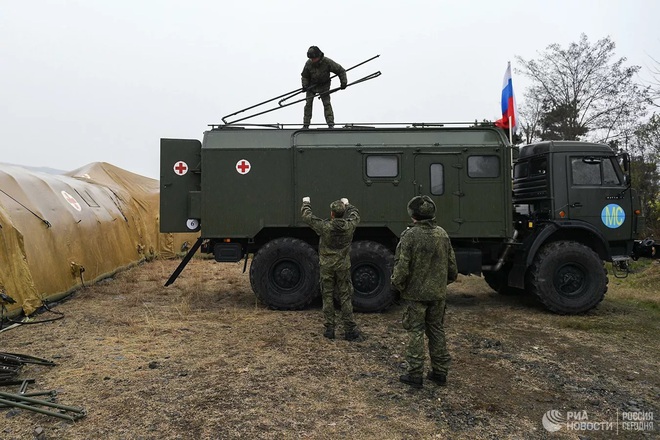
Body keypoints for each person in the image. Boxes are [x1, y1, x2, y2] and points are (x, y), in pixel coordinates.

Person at [391, 195, 458, 388]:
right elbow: (452, 268)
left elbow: (402, 266)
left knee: (416, 331)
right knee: (436, 330)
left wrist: (396, 283)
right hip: (437, 294)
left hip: (416, 294)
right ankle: (440, 372)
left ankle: (415, 373)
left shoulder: (410, 236)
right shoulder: (442, 234)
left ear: (413, 215)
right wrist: (441, 284)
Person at [301, 196, 362, 341]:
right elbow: (356, 214)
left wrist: (306, 203)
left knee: (327, 296)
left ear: (332, 214)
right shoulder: (349, 226)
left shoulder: (324, 227)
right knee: (345, 297)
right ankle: (349, 330)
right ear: (343, 213)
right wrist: (348, 204)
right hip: (343, 266)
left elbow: (307, 217)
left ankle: (330, 329)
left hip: (327, 266)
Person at [301, 46, 347, 129]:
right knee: (308, 104)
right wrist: (305, 85)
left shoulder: (327, 62)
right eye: (311, 58)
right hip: (312, 86)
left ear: (319, 56)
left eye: (314, 58)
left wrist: (343, 82)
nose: (313, 60)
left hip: (324, 86)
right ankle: (306, 125)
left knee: (326, 104)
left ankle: (330, 124)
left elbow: (341, 70)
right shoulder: (308, 63)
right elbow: (304, 76)